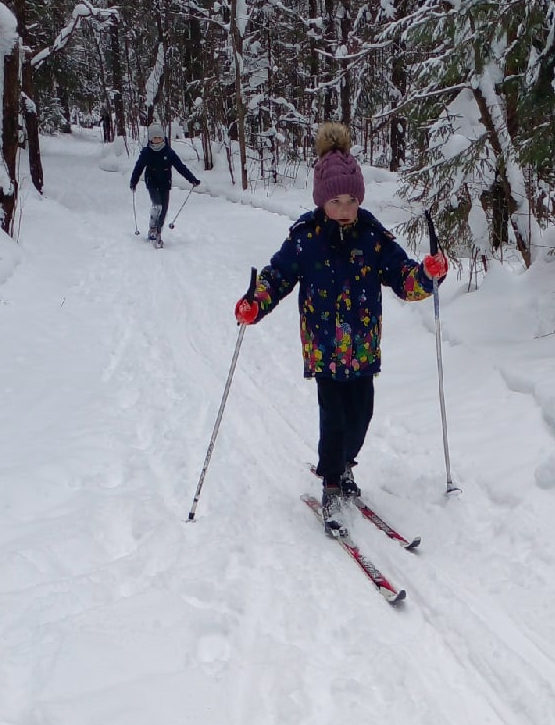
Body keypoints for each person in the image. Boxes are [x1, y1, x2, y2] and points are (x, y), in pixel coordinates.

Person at [234, 122, 448, 534]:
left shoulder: (373, 237)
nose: (345, 207)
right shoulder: (306, 239)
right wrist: (254, 304)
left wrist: (427, 275)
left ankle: (346, 464)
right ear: (322, 201)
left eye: (351, 199)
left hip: (364, 350)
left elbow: (403, 277)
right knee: (333, 418)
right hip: (325, 350)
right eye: (336, 201)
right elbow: (277, 277)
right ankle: (332, 480)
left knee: (361, 415)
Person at [130, 122, 199, 244]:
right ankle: (152, 228)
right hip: (151, 181)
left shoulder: (169, 152)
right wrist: (133, 181)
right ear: (151, 139)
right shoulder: (147, 152)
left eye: (159, 137)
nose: (157, 140)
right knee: (157, 205)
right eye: (154, 138)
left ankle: (158, 232)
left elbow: (180, 167)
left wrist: (192, 179)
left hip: (165, 183)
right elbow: (139, 167)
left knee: (164, 209)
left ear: (163, 137)